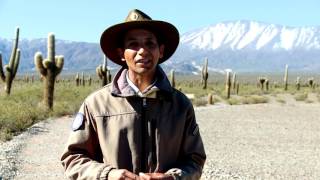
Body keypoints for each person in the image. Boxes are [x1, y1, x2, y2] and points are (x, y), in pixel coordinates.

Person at [61, 9, 206, 180]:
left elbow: (194, 159)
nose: (142, 51)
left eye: (149, 43)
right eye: (133, 44)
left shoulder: (180, 105)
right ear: (121, 53)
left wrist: (174, 177)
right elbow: (73, 158)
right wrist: (108, 175)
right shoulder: (96, 104)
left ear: (161, 51)